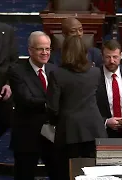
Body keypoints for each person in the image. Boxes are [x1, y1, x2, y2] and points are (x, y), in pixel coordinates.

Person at [46, 35, 107, 180]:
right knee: (94, 174)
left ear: (65, 52)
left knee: (67, 173)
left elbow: (53, 107)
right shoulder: (96, 72)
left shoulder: (57, 74)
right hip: (94, 130)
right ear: (85, 51)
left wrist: (54, 122)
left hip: (68, 132)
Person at [8, 31, 57, 180]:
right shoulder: (17, 71)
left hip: (53, 136)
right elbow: (26, 100)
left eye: (47, 49)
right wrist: (54, 103)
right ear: (30, 50)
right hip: (27, 136)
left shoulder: (54, 70)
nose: (45, 53)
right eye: (40, 49)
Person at [0, 0, 18, 154]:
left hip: (4, 83)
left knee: (7, 119)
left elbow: (14, 60)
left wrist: (9, 84)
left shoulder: (7, 31)